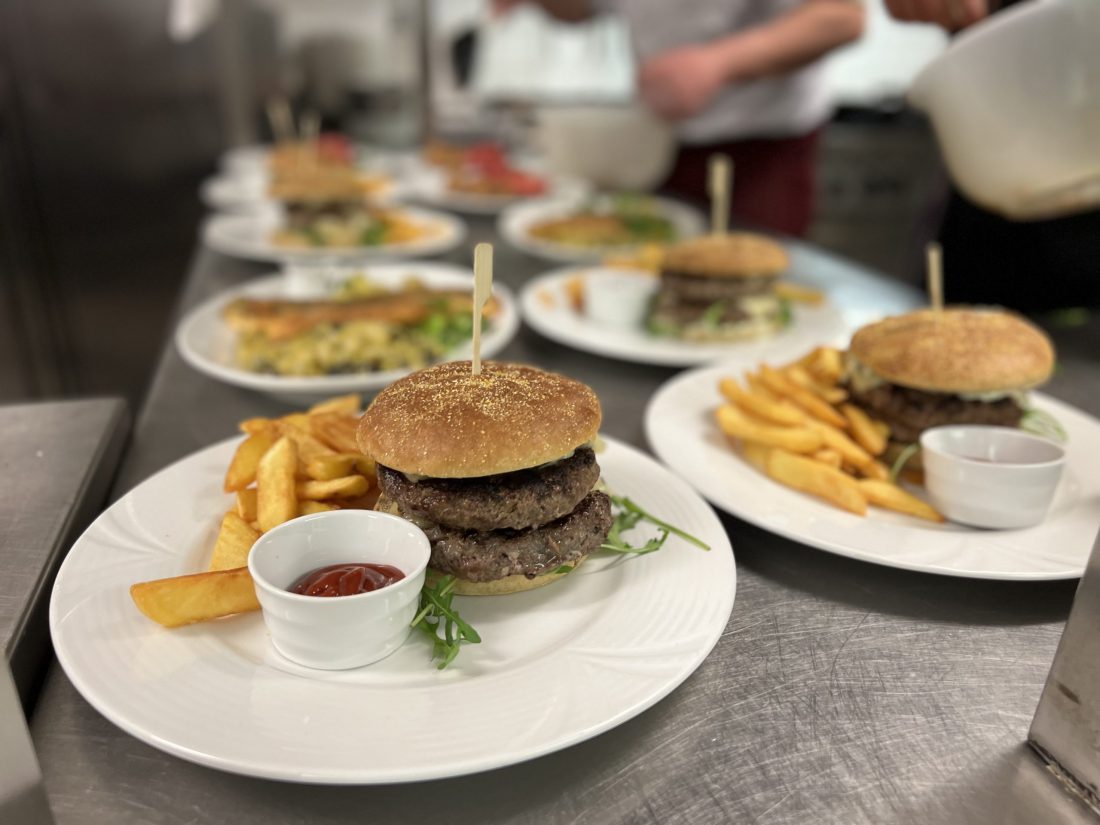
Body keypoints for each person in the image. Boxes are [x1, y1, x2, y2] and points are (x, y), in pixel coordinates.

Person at [496, 0, 864, 237]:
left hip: (760, 147)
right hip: (658, 139)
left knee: (743, 283)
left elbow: (843, 16)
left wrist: (718, 63)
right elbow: (580, 9)